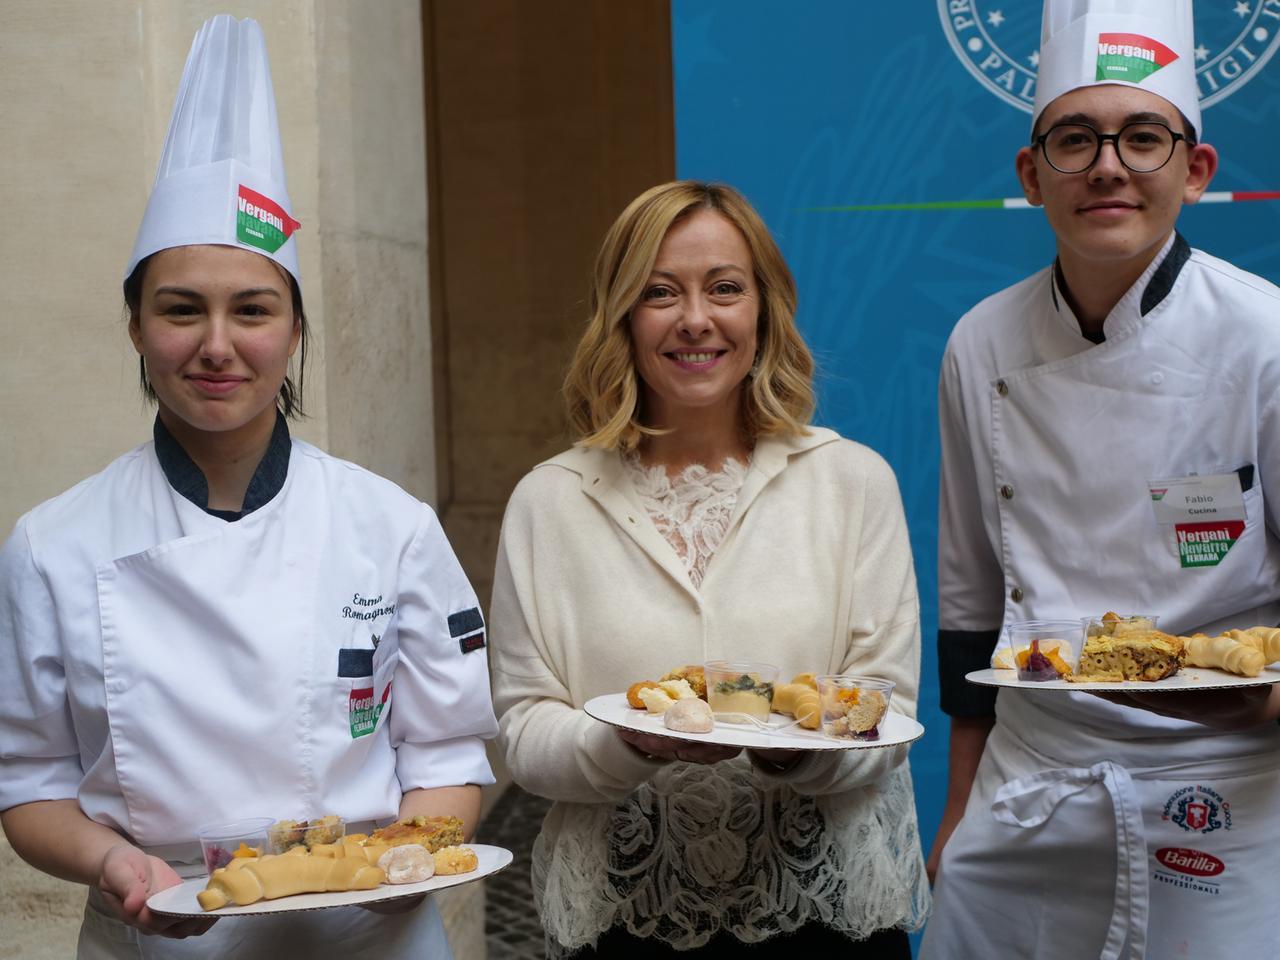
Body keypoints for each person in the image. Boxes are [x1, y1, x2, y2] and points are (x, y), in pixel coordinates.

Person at [0, 16, 496, 959]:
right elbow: (31, 785)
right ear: (137, 329)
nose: (217, 345)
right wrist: (114, 862)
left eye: (253, 310)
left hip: (368, 937)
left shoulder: (388, 525)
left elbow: (447, 755)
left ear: (296, 331)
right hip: (162, 935)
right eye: (181, 309)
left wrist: (405, 858)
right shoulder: (50, 545)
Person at [488, 180, 929, 959]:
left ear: (764, 307)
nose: (696, 319)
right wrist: (636, 745)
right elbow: (525, 733)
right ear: (622, 314)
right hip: (623, 926)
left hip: (824, 920)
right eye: (661, 292)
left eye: (724, 288)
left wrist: (794, 746)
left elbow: (885, 716)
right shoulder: (549, 502)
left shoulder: (854, 481)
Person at [922, 1, 1280, 957]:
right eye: (1075, 139)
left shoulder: (1265, 339)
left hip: (1230, 784)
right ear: (1032, 175)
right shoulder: (980, 343)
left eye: (1143, 138)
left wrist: (1261, 700)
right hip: (1032, 782)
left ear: (1195, 171)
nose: (1108, 166)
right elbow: (970, 604)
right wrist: (959, 813)